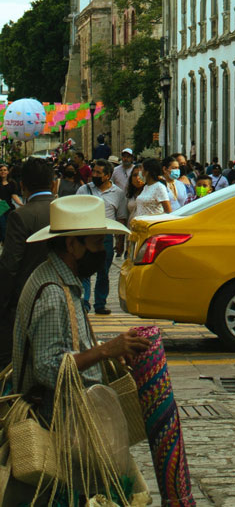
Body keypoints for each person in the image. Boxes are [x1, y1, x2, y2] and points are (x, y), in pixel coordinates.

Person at [13, 195, 150, 426]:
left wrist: (109, 350)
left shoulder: (62, 281)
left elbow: (69, 346)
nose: (102, 252)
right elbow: (48, 370)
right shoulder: (53, 294)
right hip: (59, 425)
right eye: (96, 243)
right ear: (71, 245)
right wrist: (105, 350)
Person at [0, 158, 54, 364]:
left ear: (22, 186)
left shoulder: (21, 216)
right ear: (52, 183)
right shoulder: (64, 211)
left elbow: (9, 265)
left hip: (26, 298)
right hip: (61, 296)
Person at [76, 160, 128, 314]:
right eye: (94, 172)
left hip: (105, 236)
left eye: (99, 173)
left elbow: (121, 217)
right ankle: (84, 302)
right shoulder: (83, 190)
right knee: (84, 270)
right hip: (86, 234)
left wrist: (120, 241)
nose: (95, 175)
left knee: (103, 272)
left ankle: (100, 303)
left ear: (108, 176)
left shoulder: (118, 193)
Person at [0, 162, 22, 240]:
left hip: (8, 208)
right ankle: (4, 242)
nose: (3, 172)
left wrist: (21, 204)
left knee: (10, 226)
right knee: (2, 226)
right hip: (0, 209)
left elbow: (14, 195)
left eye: (5, 170)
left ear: (8, 172)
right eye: (1, 170)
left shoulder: (12, 183)